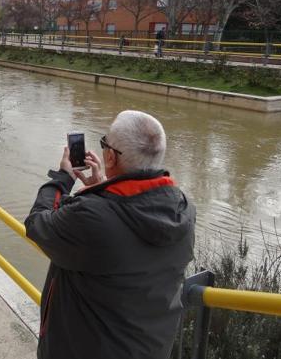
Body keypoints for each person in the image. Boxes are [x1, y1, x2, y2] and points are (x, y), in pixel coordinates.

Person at [24, 110, 195, 359]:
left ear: (111, 157)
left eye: (105, 143)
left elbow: (37, 223)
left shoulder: (93, 217)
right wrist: (104, 189)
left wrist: (63, 178)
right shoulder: (184, 209)